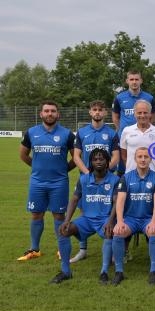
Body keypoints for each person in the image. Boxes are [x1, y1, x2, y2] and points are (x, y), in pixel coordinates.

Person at [50, 148, 120, 284]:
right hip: (86, 219)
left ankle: (104, 272)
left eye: (102, 159)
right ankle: (66, 271)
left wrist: (111, 221)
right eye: (95, 159)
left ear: (107, 162)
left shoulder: (115, 180)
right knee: (64, 230)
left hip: (104, 219)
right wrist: (67, 220)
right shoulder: (83, 179)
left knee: (109, 232)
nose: (98, 161)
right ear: (91, 162)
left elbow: (117, 203)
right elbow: (74, 199)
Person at [18, 101, 76, 261]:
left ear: (58, 114)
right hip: (37, 182)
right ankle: (34, 249)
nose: (50, 114)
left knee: (59, 216)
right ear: (41, 114)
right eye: (47, 111)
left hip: (59, 183)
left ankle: (61, 248)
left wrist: (64, 169)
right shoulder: (31, 132)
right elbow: (23, 154)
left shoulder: (67, 134)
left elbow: (76, 157)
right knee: (36, 214)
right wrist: (36, 167)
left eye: (53, 111)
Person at [71, 100, 120, 263]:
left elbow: (116, 156)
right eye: (94, 110)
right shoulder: (82, 132)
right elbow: (76, 156)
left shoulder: (112, 133)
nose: (97, 112)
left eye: (100, 110)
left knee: (109, 212)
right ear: (90, 112)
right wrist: (88, 173)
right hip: (87, 179)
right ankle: (82, 249)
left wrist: (106, 171)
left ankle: (112, 251)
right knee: (84, 212)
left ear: (105, 113)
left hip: (106, 178)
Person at [111, 147, 155, 285]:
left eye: (146, 157)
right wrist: (120, 221)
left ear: (150, 159)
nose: (143, 159)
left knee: (154, 231)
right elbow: (120, 201)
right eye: (140, 157)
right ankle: (119, 271)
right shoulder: (126, 178)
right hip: (131, 219)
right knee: (118, 232)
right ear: (134, 159)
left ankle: (153, 271)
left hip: (148, 219)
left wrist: (153, 221)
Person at [112, 70, 155, 175]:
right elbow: (115, 116)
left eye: (137, 79)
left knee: (145, 163)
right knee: (124, 168)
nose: (134, 82)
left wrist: (146, 128)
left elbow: (153, 116)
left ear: (141, 81)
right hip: (126, 138)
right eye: (131, 79)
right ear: (127, 81)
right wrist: (121, 130)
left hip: (144, 137)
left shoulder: (149, 97)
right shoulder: (119, 97)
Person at [120, 100, 155, 173]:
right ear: (134, 114)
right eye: (139, 113)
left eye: (145, 113)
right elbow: (124, 156)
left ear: (150, 114)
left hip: (151, 176)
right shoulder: (126, 131)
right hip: (131, 176)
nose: (142, 116)